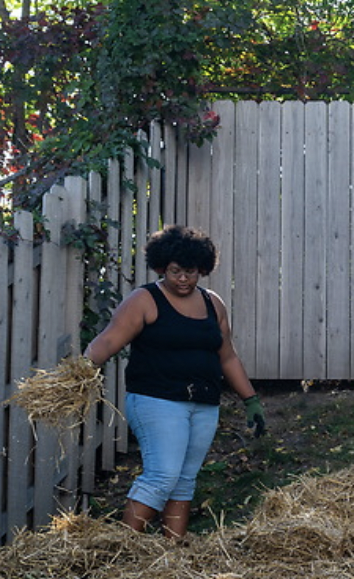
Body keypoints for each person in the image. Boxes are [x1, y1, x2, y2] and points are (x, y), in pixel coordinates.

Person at [84, 224, 266, 539]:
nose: (183, 279)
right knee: (162, 476)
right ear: (161, 268)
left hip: (203, 404)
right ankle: (122, 549)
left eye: (190, 272)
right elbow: (109, 340)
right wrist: (80, 370)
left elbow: (227, 357)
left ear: (202, 269)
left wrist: (251, 400)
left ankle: (172, 555)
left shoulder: (213, 303)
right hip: (157, 401)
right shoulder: (145, 300)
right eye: (175, 271)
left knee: (184, 480)